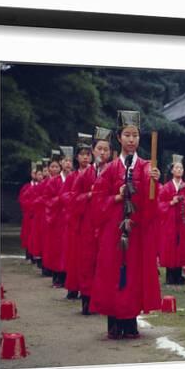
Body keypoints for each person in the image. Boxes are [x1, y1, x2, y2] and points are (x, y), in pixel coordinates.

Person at [89, 110, 162, 339]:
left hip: (136, 232)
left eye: (135, 135)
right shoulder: (110, 170)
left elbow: (152, 207)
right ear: (119, 138)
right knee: (113, 274)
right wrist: (118, 197)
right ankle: (113, 322)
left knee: (133, 275)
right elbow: (98, 203)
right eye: (127, 135)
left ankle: (130, 321)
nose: (132, 139)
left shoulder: (146, 167)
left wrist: (154, 184)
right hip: (113, 231)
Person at [72, 126, 113, 314]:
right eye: (99, 149)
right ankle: (87, 300)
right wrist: (88, 196)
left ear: (110, 152)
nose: (102, 152)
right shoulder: (85, 175)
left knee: (104, 263)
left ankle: (102, 300)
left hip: (106, 225)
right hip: (88, 225)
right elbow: (73, 198)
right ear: (93, 150)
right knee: (87, 262)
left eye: (106, 149)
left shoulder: (114, 172)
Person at [64, 134, 94, 300]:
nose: (85, 157)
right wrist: (85, 198)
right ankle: (73, 287)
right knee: (75, 256)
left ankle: (87, 290)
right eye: (82, 154)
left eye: (88, 154)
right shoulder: (72, 177)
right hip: (76, 221)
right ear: (77, 157)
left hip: (91, 220)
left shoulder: (96, 173)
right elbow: (66, 197)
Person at [158, 154, 185, 285]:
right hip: (169, 222)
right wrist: (171, 203)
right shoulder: (166, 187)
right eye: (177, 168)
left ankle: (178, 275)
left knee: (181, 246)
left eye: (181, 168)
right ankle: (170, 275)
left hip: (182, 222)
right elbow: (159, 204)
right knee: (170, 246)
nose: (179, 170)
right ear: (172, 170)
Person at [45, 146, 74, 288]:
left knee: (69, 250)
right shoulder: (54, 181)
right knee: (57, 249)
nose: (68, 163)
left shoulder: (76, 178)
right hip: (58, 219)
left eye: (70, 161)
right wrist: (60, 199)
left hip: (71, 218)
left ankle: (68, 277)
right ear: (61, 162)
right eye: (65, 160)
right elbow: (48, 200)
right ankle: (57, 276)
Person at [19, 163, 38, 261]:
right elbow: (22, 200)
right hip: (29, 215)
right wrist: (30, 207)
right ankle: (28, 254)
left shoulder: (41, 185)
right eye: (34, 173)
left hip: (38, 214)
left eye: (37, 173)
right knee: (28, 235)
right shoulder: (26, 187)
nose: (35, 175)